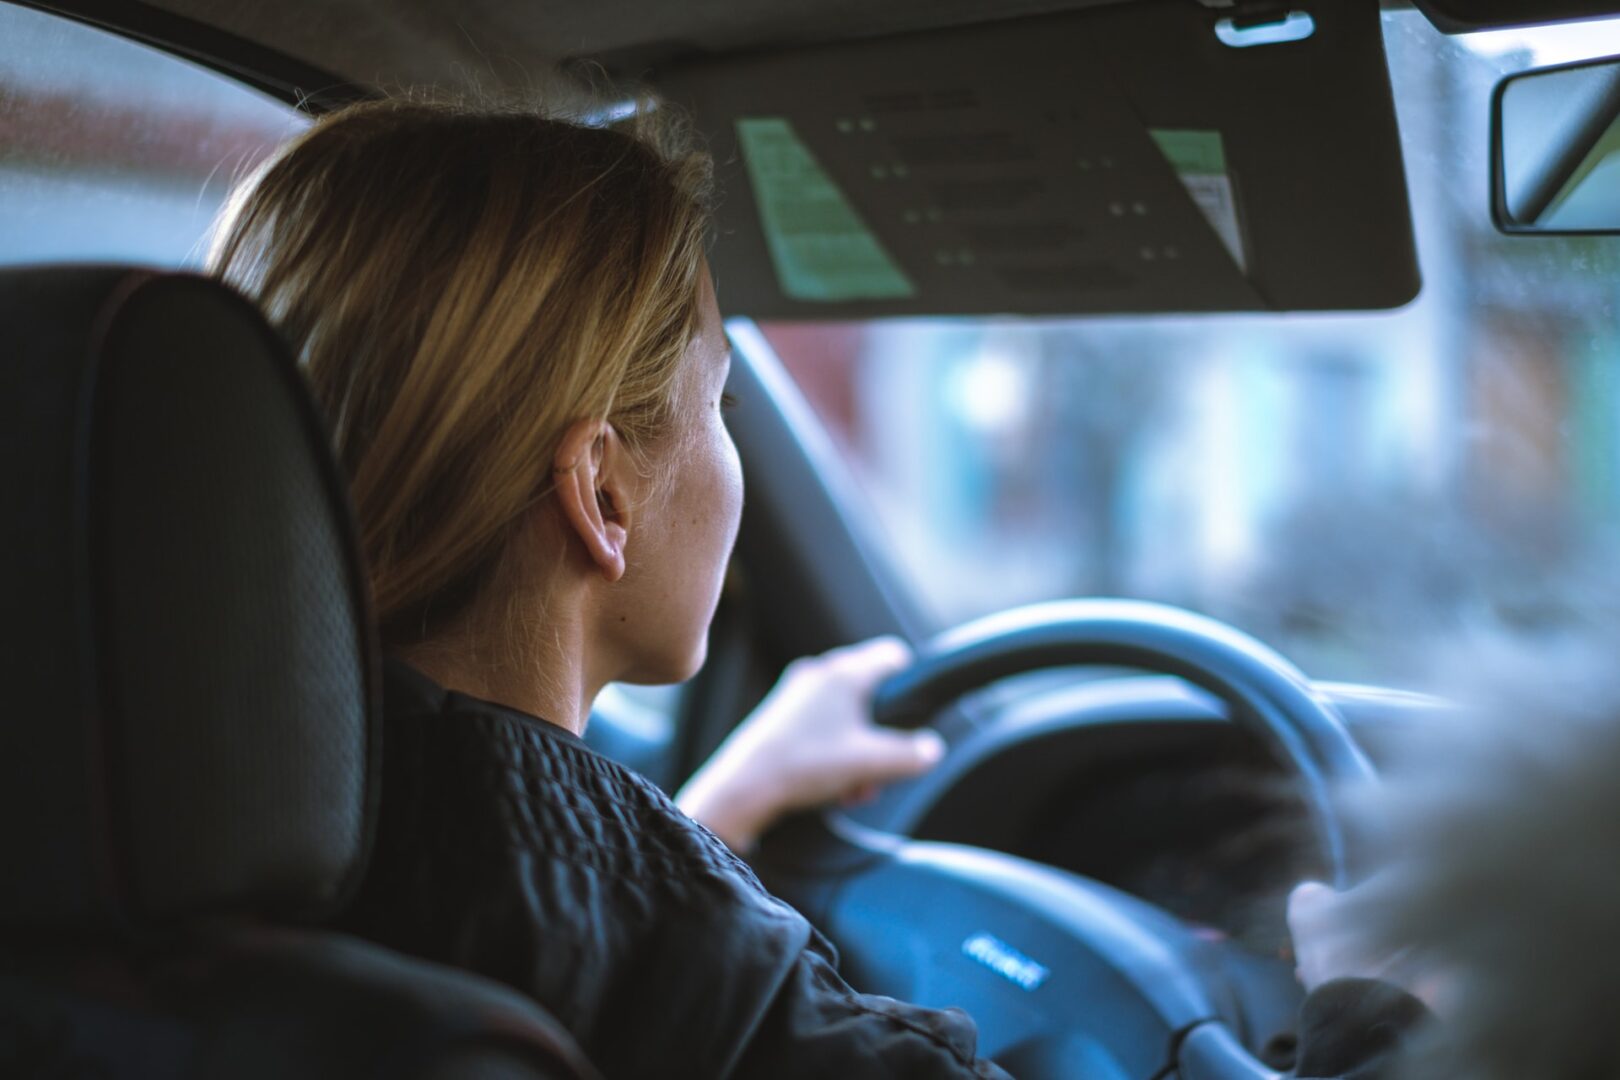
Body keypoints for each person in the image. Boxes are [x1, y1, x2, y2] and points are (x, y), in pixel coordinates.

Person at [210, 98, 1426, 1078]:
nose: (729, 451)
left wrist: (711, 815)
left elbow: (537, 903)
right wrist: (1377, 1020)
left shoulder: (185, 815)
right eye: (718, 404)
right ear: (603, 495)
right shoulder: (691, 975)